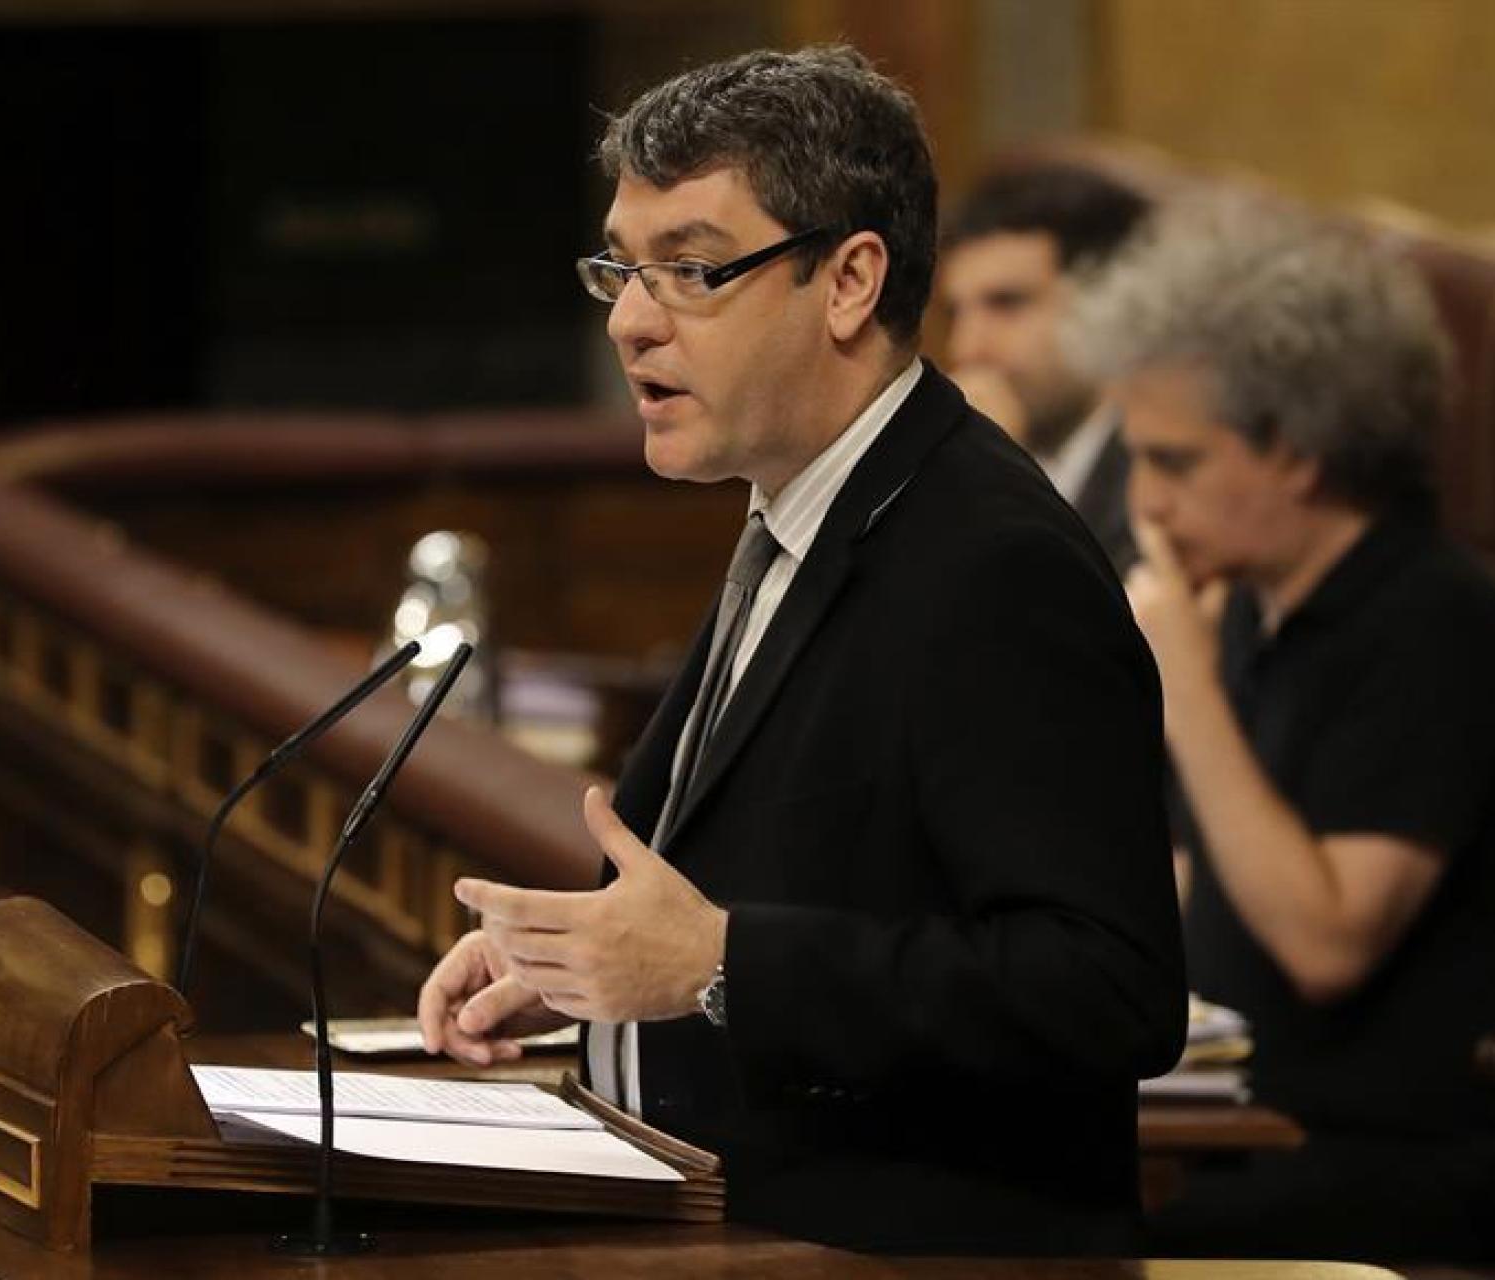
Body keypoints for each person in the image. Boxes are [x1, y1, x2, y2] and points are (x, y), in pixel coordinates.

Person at [416, 46, 1185, 1255]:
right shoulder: (801, 505)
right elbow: (805, 862)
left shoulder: (991, 561)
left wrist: (717, 964)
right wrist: (584, 968)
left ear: (847, 282)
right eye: (621, 266)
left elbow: (1105, 989)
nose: (629, 319)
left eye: (690, 269)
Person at [1068, 193, 1495, 1261]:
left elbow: (1325, 942)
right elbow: (1177, 889)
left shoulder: (1434, 619)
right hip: (1228, 1116)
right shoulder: (1249, 611)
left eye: (1175, 463)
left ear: (1298, 453)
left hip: (1378, 1154)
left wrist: (1185, 688)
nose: (1145, 506)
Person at [940, 165, 1152, 572]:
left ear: (1105, 303)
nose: (965, 348)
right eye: (954, 314)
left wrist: (1000, 479)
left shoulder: (1159, 477)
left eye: (1007, 303)